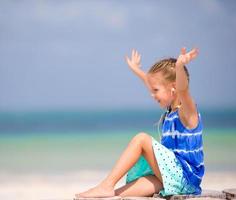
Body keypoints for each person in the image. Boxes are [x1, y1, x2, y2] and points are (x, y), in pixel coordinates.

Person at [75, 47, 204, 198]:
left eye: (155, 90)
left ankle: (106, 185)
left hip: (185, 178)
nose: (152, 94)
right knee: (124, 191)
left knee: (141, 139)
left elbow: (183, 90)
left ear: (173, 88)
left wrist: (180, 67)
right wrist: (136, 69)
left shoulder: (187, 112)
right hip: (174, 178)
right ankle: (109, 193)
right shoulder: (171, 111)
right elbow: (151, 82)